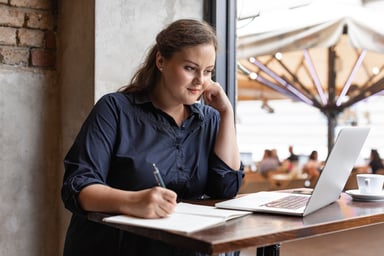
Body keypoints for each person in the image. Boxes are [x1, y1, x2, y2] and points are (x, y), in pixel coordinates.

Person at [61, 19, 243, 256]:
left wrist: (226, 113)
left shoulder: (209, 119)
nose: (200, 80)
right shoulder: (115, 109)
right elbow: (77, 187)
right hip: (115, 247)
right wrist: (132, 201)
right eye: (190, 68)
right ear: (161, 61)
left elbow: (226, 188)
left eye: (207, 71)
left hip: (180, 247)